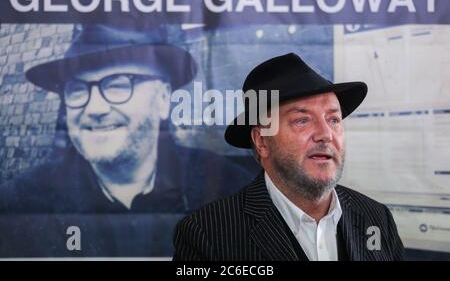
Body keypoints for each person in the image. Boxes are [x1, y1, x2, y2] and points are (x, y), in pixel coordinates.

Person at [0, 25, 255, 257]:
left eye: (118, 85)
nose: (95, 108)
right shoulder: (23, 204)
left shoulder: (230, 191)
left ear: (163, 99)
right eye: (77, 89)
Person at [173, 53, 405, 261]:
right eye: (302, 120)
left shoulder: (376, 218)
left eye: (334, 119)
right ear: (262, 141)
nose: (325, 134)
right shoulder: (207, 234)